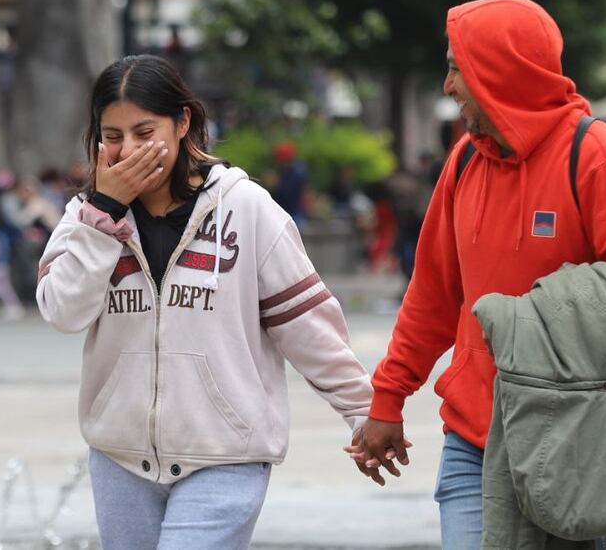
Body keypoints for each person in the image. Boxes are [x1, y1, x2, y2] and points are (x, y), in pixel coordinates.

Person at [347, 0, 606, 550]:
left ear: (500, 72)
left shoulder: (601, 158)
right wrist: (388, 398)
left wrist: (532, 336)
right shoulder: (464, 161)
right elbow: (432, 295)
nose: (448, 85)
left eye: (458, 68)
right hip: (472, 441)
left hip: (573, 438)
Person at [36, 55, 372, 550]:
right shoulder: (84, 217)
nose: (129, 150)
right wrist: (104, 214)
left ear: (182, 122)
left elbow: (306, 325)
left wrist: (366, 413)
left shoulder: (246, 208)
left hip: (225, 457)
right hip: (120, 459)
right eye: (113, 136)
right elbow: (63, 312)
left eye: (144, 132)